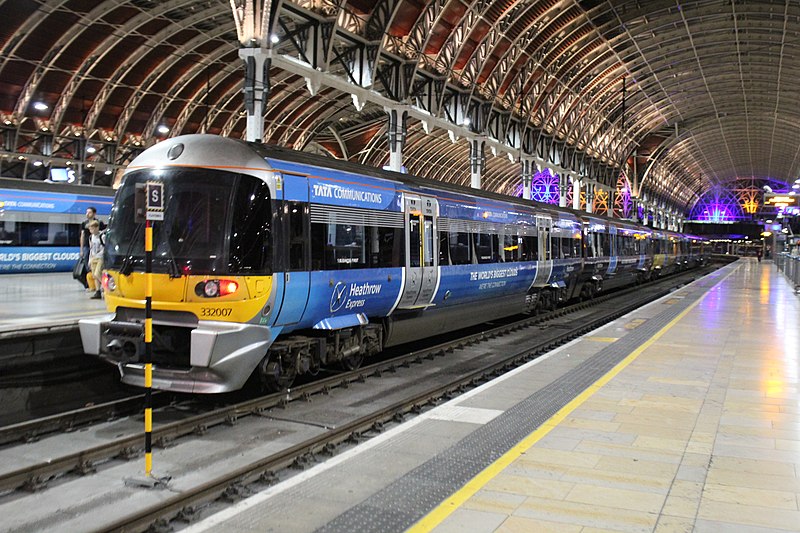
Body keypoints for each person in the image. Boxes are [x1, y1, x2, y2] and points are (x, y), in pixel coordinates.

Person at [87, 220, 105, 299]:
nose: (92, 231)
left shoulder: (102, 236)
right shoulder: (91, 237)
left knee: (98, 273)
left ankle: (106, 287)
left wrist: (99, 254)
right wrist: (90, 259)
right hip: (93, 257)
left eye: (93, 228)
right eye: (90, 229)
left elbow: (105, 247)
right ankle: (98, 292)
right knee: (94, 275)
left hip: (100, 257)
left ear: (97, 228)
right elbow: (91, 248)